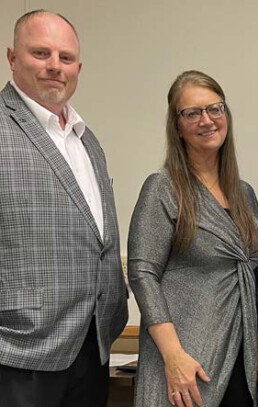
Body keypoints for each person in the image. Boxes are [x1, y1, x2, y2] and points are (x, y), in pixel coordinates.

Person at [0, 10, 128, 407]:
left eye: (66, 58)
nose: (55, 66)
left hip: (92, 346)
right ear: (12, 58)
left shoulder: (85, 139)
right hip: (19, 352)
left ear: (78, 67)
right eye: (41, 53)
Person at [128, 70, 258, 407]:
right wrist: (173, 355)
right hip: (185, 355)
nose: (206, 120)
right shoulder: (163, 188)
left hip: (240, 351)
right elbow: (142, 274)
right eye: (192, 113)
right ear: (177, 126)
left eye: (215, 109)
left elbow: (254, 273)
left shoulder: (244, 194)